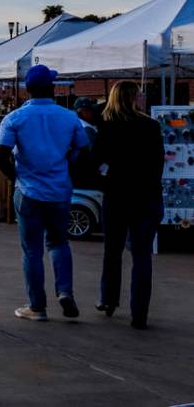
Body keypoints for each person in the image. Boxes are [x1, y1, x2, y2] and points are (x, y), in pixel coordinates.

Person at [0, 64, 89, 322]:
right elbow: (83, 149)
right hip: (59, 190)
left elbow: (1, 155)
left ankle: (37, 307)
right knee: (59, 243)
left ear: (28, 90)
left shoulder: (14, 119)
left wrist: (17, 177)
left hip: (28, 191)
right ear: (52, 88)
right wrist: (67, 166)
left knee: (32, 251)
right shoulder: (70, 117)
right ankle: (65, 291)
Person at [92, 81, 164, 329]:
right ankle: (139, 312)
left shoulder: (106, 127)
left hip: (116, 196)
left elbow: (95, 162)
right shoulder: (151, 126)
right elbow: (157, 165)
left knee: (112, 251)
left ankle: (109, 299)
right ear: (134, 98)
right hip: (145, 197)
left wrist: (108, 177)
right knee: (142, 255)